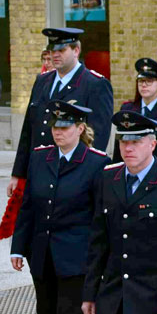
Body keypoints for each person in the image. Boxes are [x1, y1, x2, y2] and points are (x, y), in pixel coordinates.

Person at [82, 111, 157, 314]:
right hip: (112, 297)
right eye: (123, 141)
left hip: (151, 300)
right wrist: (89, 293)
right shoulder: (108, 178)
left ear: (152, 144)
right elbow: (98, 242)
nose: (128, 148)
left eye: (136, 141)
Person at [10, 101, 109, 314]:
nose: (58, 132)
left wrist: (99, 259)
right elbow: (28, 208)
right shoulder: (39, 158)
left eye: (64, 127)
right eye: (55, 127)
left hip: (76, 258)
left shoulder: (97, 162)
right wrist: (18, 246)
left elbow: (99, 217)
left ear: (80, 129)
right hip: (42, 255)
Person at [9, 27, 113, 199]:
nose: (55, 54)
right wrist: (18, 173)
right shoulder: (42, 81)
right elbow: (29, 129)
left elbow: (98, 135)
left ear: (76, 50)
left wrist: (84, 174)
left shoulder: (95, 84)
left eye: (62, 50)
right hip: (39, 170)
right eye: (52, 50)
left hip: (72, 172)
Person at [113, 58, 157, 169]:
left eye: (149, 81)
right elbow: (118, 149)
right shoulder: (127, 109)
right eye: (141, 81)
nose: (144, 85)